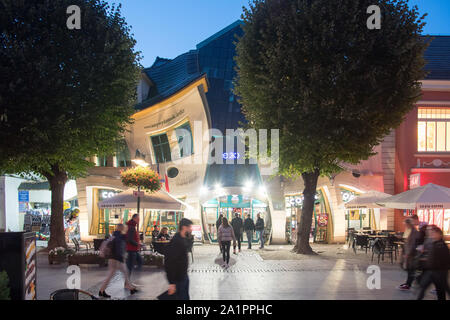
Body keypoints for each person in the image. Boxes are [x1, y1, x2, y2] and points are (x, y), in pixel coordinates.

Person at [99, 224, 138, 298]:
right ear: (122, 229)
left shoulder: (114, 235)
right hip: (117, 259)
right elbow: (119, 249)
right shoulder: (120, 237)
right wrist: (122, 258)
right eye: (125, 228)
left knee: (122, 273)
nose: (126, 230)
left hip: (113, 258)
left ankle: (130, 288)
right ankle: (101, 291)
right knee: (120, 274)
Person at [417, 225, 450, 300]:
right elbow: (431, 255)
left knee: (442, 290)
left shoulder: (442, 245)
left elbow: (445, 260)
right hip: (431, 271)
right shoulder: (432, 243)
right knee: (423, 288)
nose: (431, 234)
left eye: (433, 233)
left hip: (439, 272)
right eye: (431, 232)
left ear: (439, 234)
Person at [165, 218, 193, 300]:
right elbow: (169, 262)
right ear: (184, 227)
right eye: (190, 227)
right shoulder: (176, 241)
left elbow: (188, 248)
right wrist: (172, 283)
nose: (191, 229)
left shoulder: (182, 239)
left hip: (183, 275)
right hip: (178, 278)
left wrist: (190, 238)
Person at [398, 217, 421, 291]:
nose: (405, 226)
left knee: (410, 269)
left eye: (405, 224)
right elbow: (407, 241)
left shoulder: (414, 232)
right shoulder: (409, 230)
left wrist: (408, 253)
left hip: (412, 255)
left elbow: (413, 244)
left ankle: (410, 283)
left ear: (409, 224)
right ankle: (411, 282)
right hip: (408, 253)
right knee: (409, 269)